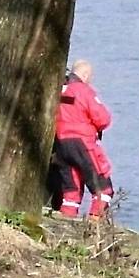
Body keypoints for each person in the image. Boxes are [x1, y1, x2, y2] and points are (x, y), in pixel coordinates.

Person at [53, 59, 114, 218]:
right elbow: (103, 119)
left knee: (71, 192)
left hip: (61, 145)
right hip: (82, 143)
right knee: (103, 189)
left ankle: (66, 222)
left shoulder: (58, 90)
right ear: (85, 75)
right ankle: (95, 225)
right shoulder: (84, 91)